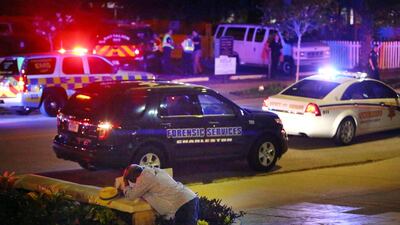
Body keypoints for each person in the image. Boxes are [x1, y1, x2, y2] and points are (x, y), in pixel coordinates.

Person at [115, 164, 199, 225]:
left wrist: (125, 181)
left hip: (183, 205)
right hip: (188, 199)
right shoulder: (153, 171)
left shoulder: (145, 178)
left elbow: (131, 196)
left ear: (134, 177)